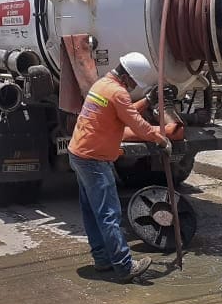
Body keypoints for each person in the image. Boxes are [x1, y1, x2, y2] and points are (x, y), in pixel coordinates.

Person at [68, 52, 170, 283]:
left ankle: (103, 259)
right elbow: (138, 124)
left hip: (79, 153)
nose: (133, 86)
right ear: (126, 77)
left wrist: (147, 101)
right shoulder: (117, 92)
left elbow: (123, 112)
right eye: (133, 82)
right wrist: (161, 139)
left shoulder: (102, 85)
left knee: (92, 212)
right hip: (94, 160)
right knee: (109, 214)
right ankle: (124, 266)